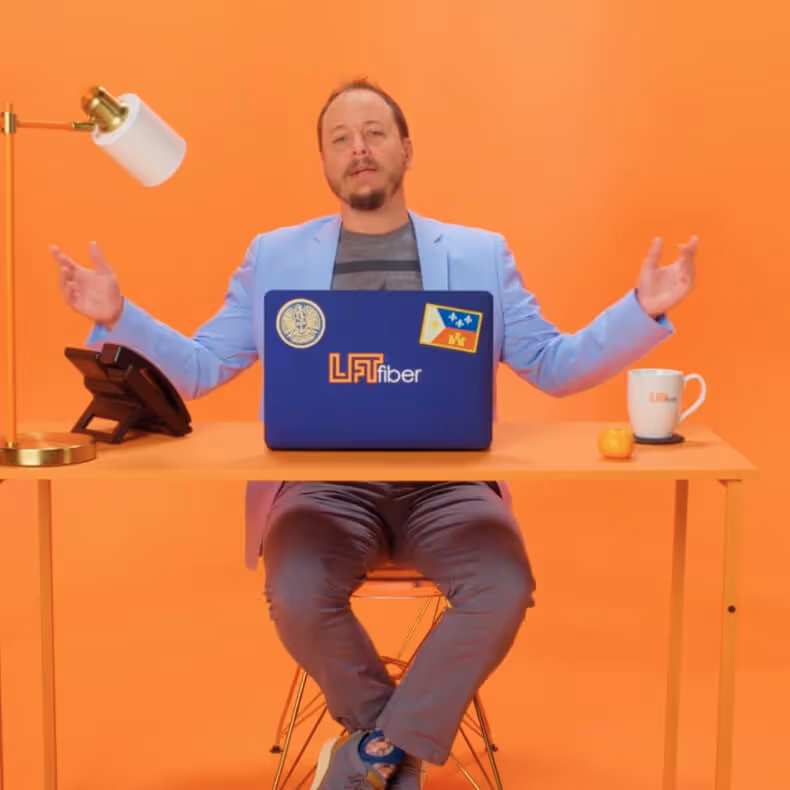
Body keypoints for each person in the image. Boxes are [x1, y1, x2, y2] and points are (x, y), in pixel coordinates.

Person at [51, 79, 697, 789]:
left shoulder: (480, 255)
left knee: (504, 583)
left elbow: (554, 364)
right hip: (325, 490)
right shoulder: (276, 258)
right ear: (325, 164)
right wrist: (119, 315)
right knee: (295, 588)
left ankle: (368, 757)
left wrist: (642, 309)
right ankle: (393, 750)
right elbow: (202, 368)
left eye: (374, 132)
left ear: (405, 149)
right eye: (339, 138)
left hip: (447, 489)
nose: (358, 148)